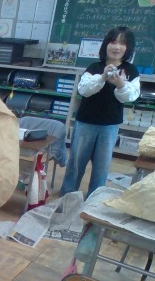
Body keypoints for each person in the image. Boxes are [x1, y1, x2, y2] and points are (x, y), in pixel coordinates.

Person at [59, 26, 140, 198]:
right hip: (86, 122)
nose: (117, 47)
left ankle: (93, 201)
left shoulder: (131, 70)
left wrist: (121, 84)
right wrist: (102, 77)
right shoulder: (94, 67)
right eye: (113, 42)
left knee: (101, 168)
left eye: (122, 43)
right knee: (76, 164)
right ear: (106, 45)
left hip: (109, 125)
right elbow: (83, 90)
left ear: (128, 48)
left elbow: (130, 96)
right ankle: (66, 198)